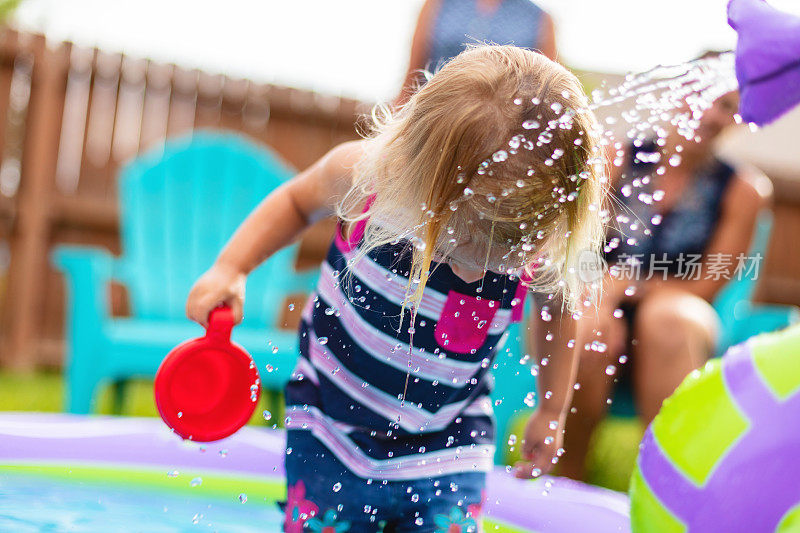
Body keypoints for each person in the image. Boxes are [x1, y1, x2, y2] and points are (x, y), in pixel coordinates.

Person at [186, 45, 606, 531]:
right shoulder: (368, 180)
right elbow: (297, 202)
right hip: (331, 423)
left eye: (505, 258)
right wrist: (231, 268)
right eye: (463, 248)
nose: (477, 274)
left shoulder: (540, 234)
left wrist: (552, 409)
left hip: (449, 437)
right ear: (421, 180)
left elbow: (559, 310)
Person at [557, 89, 772, 481]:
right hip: (599, 297)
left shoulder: (743, 189)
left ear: (737, 120)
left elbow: (706, 286)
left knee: (667, 320)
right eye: (702, 96)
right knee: (588, 326)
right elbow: (577, 248)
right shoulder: (615, 158)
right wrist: (603, 296)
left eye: (727, 108)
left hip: (678, 311)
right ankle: (564, 473)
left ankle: (667, 483)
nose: (710, 113)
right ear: (677, 93)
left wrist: (634, 287)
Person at [398, 0, 557, 104]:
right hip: (434, 114)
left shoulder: (539, 17)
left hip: (503, 127)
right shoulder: (438, 4)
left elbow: (546, 89)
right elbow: (411, 79)